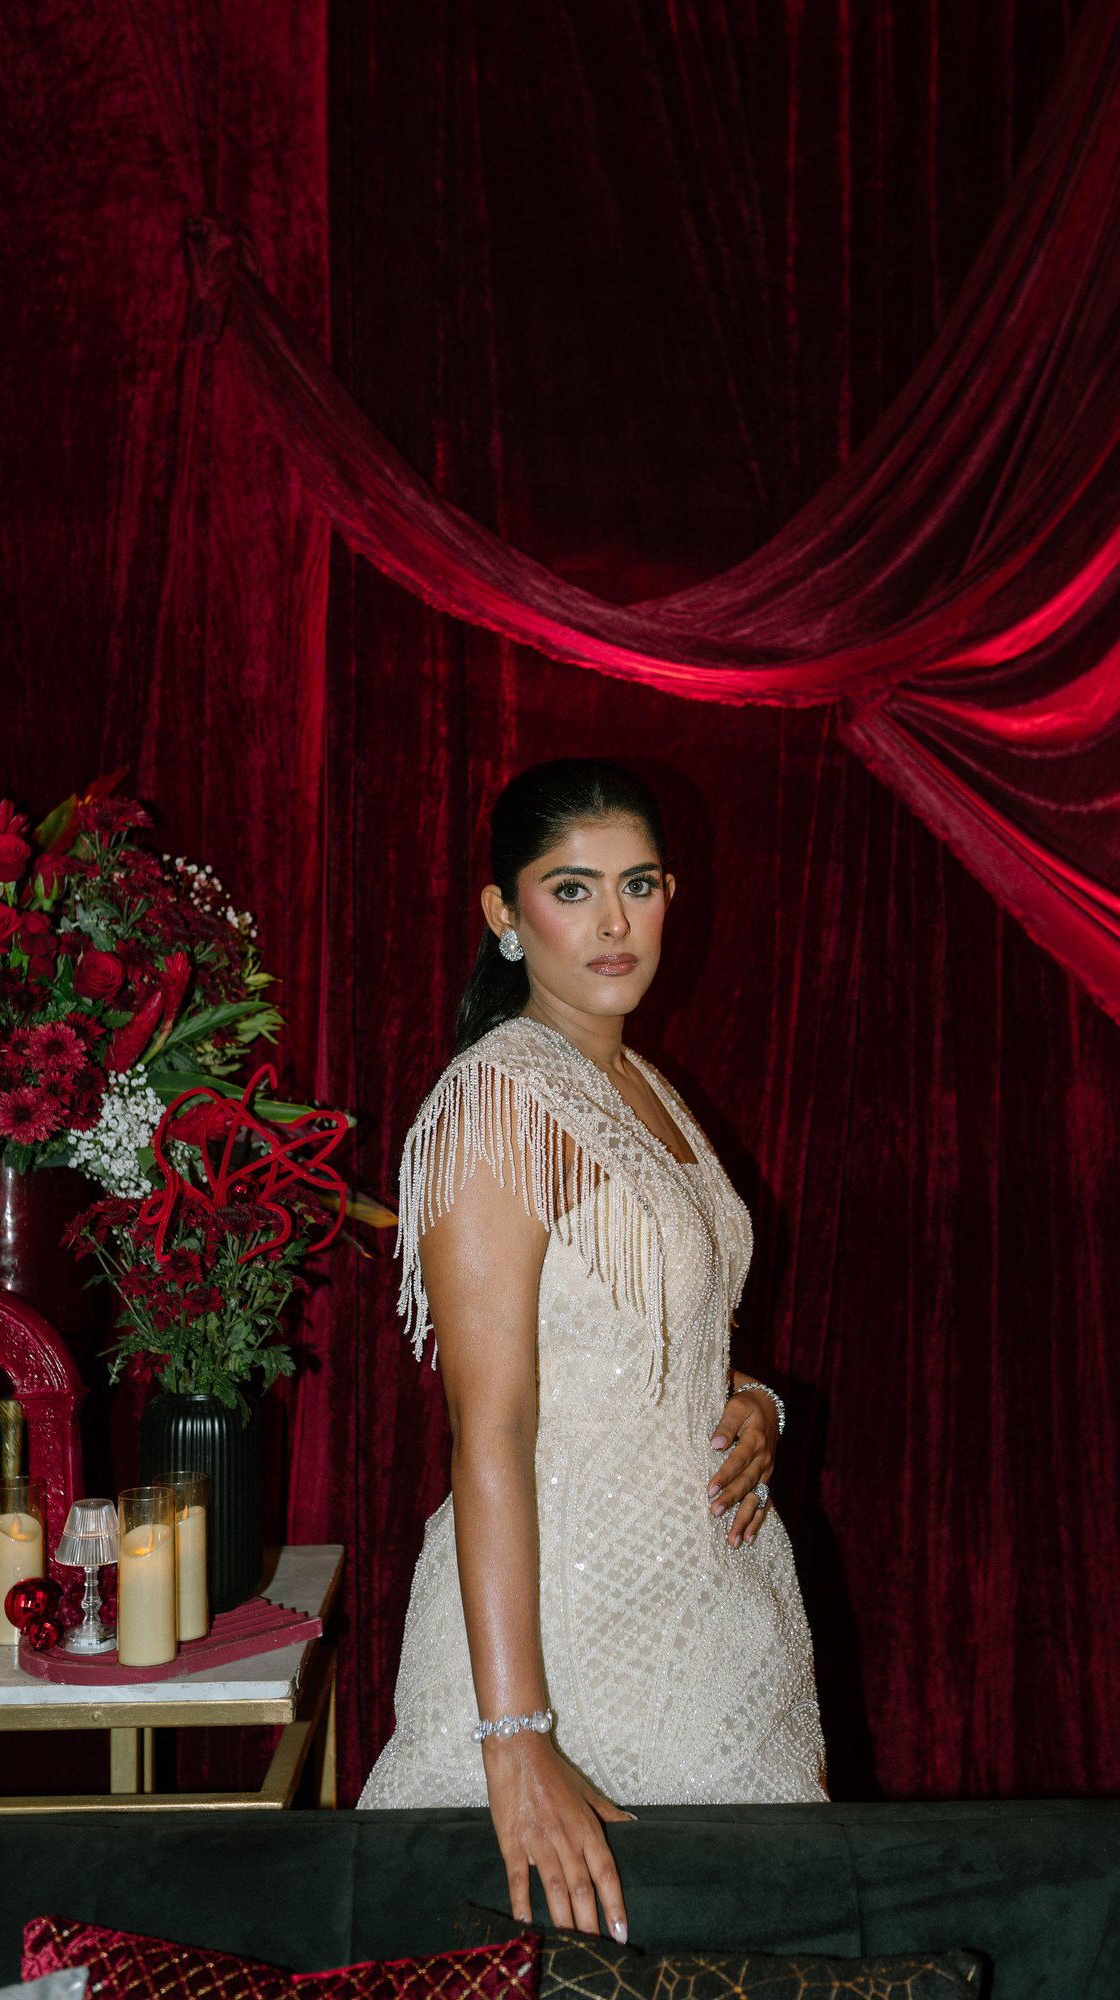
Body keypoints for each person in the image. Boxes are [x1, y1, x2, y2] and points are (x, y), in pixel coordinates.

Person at [359, 759, 827, 1937]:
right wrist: (518, 1737)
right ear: (504, 912)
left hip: (711, 1635)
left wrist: (752, 1400)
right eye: (573, 888)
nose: (615, 921)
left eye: (640, 884)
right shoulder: (498, 1099)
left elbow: (638, 1342)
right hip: (574, 1652)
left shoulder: (637, 1081)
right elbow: (494, 1428)